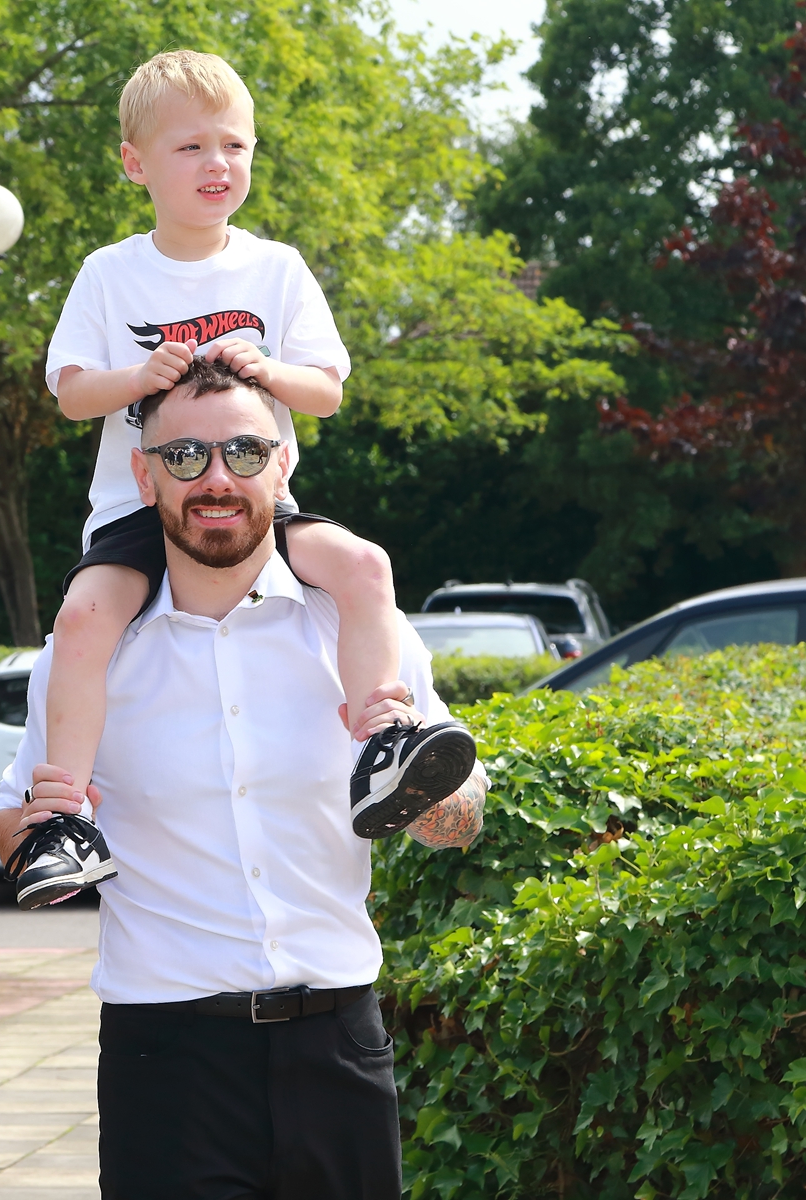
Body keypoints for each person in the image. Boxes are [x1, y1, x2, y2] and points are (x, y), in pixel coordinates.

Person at [0, 357, 487, 1197]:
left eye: (245, 453)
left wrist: (428, 800)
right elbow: (11, 824)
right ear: (144, 477)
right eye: (185, 457)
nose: (216, 480)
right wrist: (44, 826)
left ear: (282, 466)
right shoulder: (86, 656)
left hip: (337, 1043)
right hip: (166, 1060)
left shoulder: (362, 631)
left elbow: (464, 820)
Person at [26, 49, 475, 906]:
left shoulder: (278, 268)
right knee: (83, 618)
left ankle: (382, 742)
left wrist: (268, 371)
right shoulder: (110, 272)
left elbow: (327, 390)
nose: (217, 163)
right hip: (142, 507)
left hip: (261, 501)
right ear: (135, 163)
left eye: (234, 144)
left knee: (365, 566)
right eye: (191, 146)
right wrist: (141, 376)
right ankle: (63, 818)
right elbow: (73, 392)